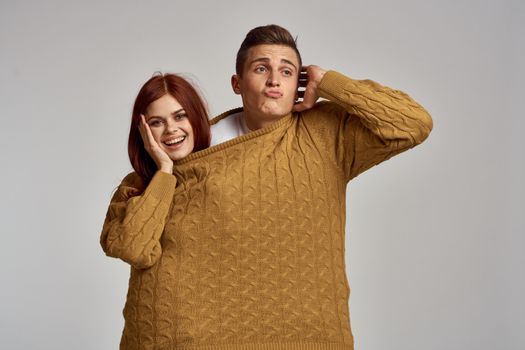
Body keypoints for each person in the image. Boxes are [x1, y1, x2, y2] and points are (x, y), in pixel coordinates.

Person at [102, 25, 433, 350]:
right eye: (261, 68)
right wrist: (163, 172)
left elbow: (412, 124)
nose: (275, 80)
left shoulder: (328, 135)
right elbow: (134, 247)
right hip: (183, 336)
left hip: (304, 335)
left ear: (298, 82)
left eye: (288, 71)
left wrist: (328, 82)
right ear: (237, 83)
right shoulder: (191, 151)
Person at [99, 72, 210, 324]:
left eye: (180, 116)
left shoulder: (224, 176)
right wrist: (164, 171)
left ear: (196, 117)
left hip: (209, 331)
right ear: (143, 130)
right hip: (151, 333)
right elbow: (134, 249)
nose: (171, 129)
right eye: (157, 122)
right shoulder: (133, 187)